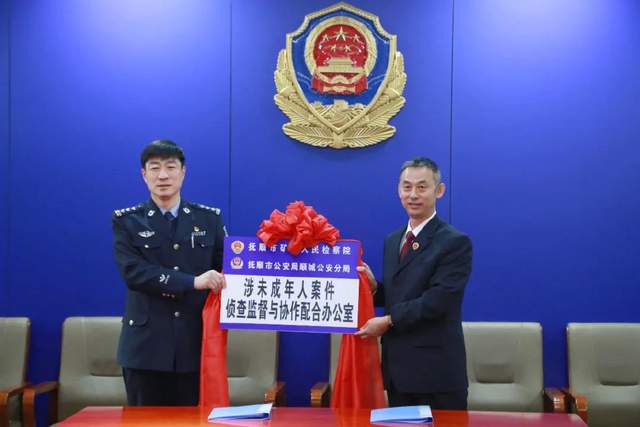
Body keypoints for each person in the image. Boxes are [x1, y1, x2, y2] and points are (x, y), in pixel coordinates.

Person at [112, 139, 227, 406]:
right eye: (154, 168)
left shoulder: (209, 219)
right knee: (144, 423)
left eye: (170, 167)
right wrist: (192, 282)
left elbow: (228, 269)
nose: (163, 175)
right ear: (144, 174)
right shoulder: (127, 221)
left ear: (183, 172)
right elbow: (133, 273)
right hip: (145, 349)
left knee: (193, 422)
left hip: (193, 345)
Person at [356, 157, 473, 409]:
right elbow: (400, 294)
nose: (413, 195)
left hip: (436, 375)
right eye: (407, 187)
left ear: (439, 190)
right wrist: (374, 288)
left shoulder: (454, 242)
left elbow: (438, 300)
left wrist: (388, 321)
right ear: (398, 190)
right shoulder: (393, 240)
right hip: (397, 373)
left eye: (422, 187)